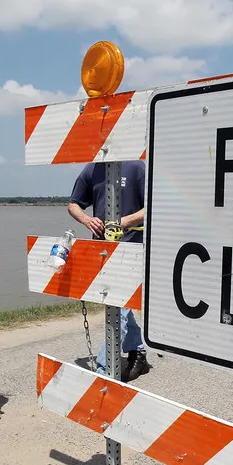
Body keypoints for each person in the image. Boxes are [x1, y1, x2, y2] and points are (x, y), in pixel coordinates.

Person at [68, 160, 151, 381]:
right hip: (101, 250)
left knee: (119, 306)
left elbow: (153, 205)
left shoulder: (136, 167)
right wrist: (86, 220)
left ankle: (104, 370)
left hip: (131, 248)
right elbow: (73, 204)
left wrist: (123, 221)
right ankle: (139, 351)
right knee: (119, 305)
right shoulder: (91, 168)